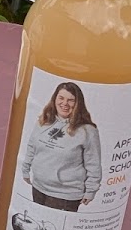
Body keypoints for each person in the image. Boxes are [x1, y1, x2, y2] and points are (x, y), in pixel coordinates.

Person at [21, 82, 101, 212]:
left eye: (71, 100)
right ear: (55, 99)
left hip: (65, 196)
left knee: (51, 225)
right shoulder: (44, 121)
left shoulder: (87, 130)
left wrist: (91, 190)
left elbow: (93, 164)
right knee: (36, 223)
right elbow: (32, 146)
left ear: (78, 103)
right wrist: (25, 169)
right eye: (61, 98)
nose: (65, 103)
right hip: (38, 187)